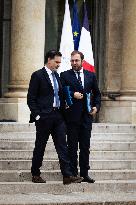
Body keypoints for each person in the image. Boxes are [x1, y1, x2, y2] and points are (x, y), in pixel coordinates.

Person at [27, 50, 83, 185]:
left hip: (58, 116)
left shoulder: (57, 76)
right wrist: (38, 115)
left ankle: (67, 175)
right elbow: (31, 98)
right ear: (49, 60)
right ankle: (35, 173)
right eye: (56, 62)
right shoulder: (38, 75)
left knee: (62, 146)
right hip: (44, 117)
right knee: (40, 146)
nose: (58, 65)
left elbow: (60, 94)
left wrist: (66, 104)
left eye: (59, 62)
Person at [60, 50, 101, 183]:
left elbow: (97, 94)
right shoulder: (64, 75)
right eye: (72, 61)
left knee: (85, 146)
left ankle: (84, 173)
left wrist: (96, 107)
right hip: (71, 117)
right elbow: (61, 93)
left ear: (82, 61)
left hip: (87, 117)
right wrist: (73, 95)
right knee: (72, 146)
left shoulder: (91, 75)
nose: (74, 63)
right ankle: (73, 173)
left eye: (76, 60)